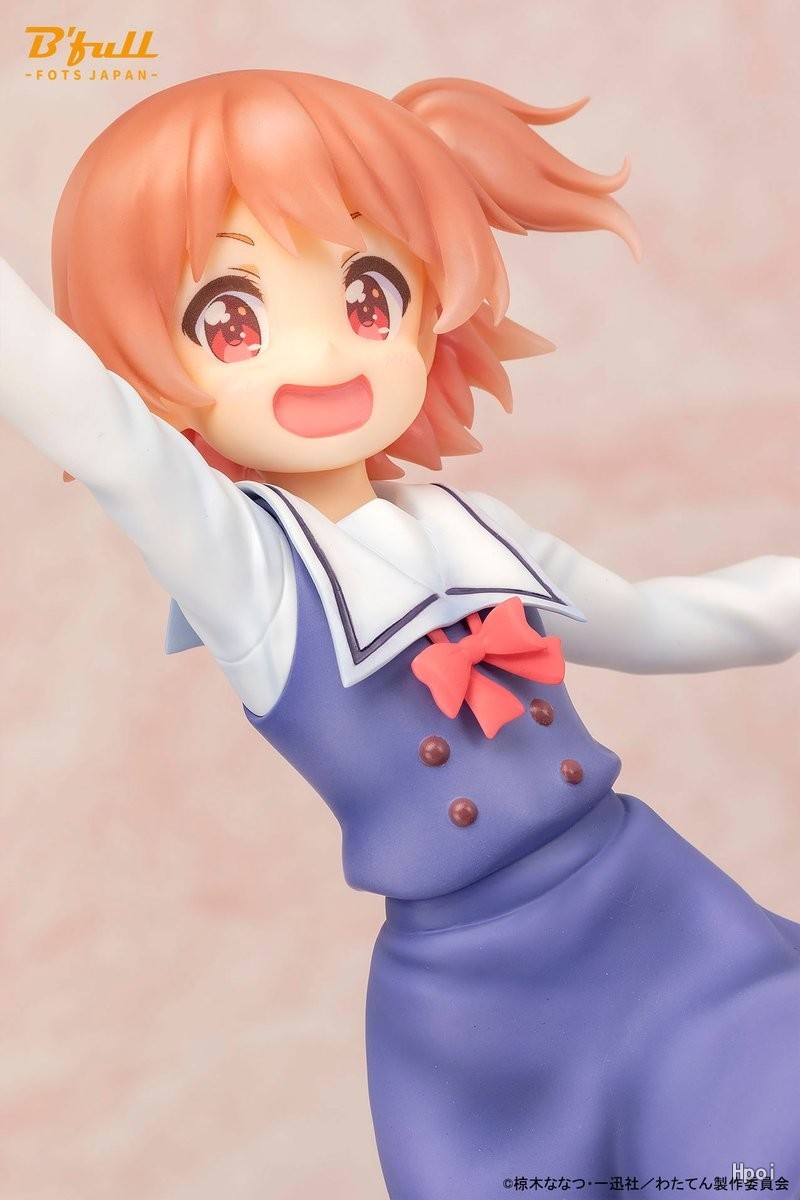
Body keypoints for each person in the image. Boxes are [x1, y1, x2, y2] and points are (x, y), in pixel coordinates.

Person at [1, 71, 798, 1198]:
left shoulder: (478, 534)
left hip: (653, 917)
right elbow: (97, 429)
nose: (324, 355)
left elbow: (670, 618)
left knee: (750, 1142)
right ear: (154, 369)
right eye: (232, 319)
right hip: (472, 1001)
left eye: (367, 296)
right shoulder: (255, 580)